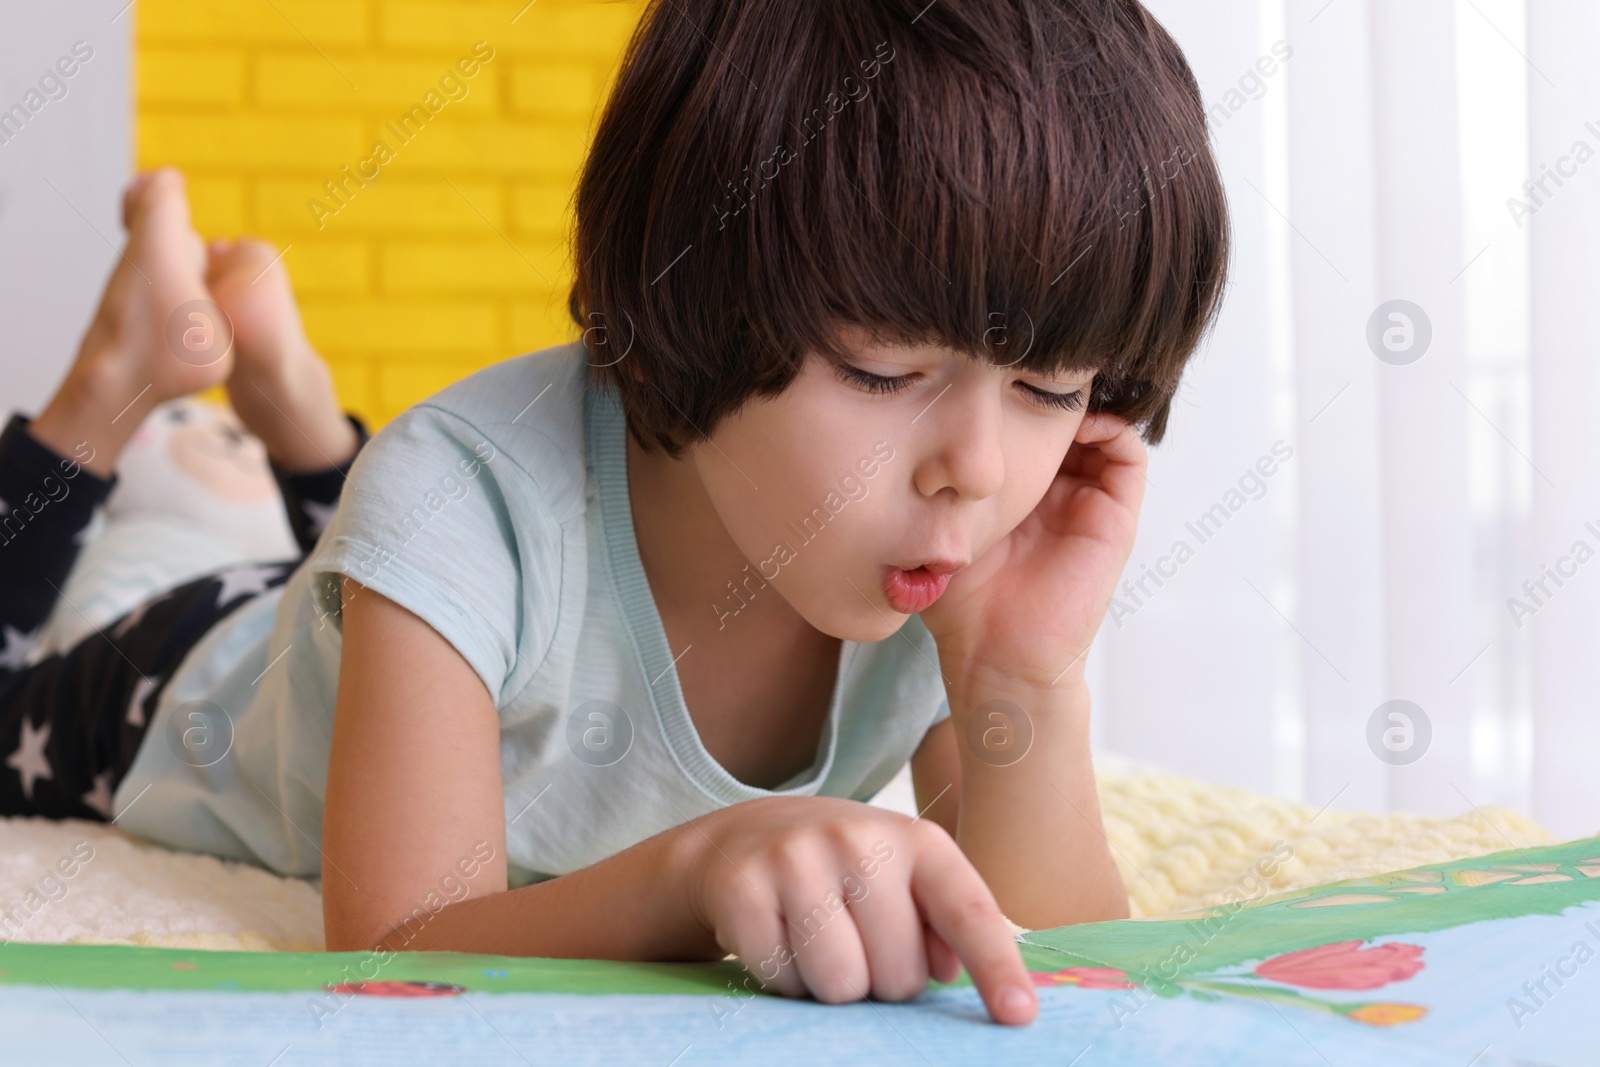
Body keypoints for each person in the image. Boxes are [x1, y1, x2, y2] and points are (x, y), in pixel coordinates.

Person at [0, 0, 1230, 1027]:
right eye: (880, 372)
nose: (972, 469)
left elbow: (1066, 968)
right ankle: (116, 381)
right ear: (687, 292)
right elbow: (394, 952)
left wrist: (1018, 678)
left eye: (1050, 388)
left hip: (380, 585)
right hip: (183, 672)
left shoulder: (949, 552)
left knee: (365, 542)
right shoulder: (459, 491)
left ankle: (289, 405)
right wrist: (693, 872)